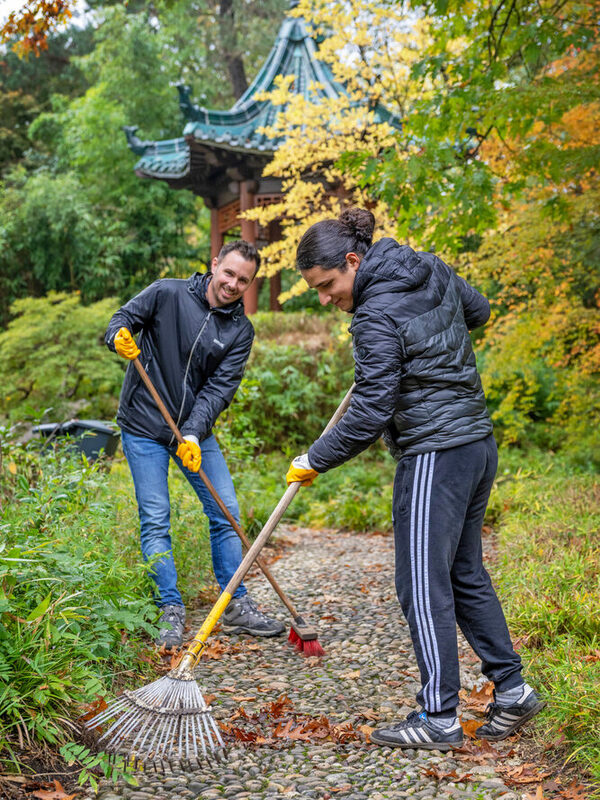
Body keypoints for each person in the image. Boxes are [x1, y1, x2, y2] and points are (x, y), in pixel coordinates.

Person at [286, 208, 545, 750]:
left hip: (434, 451)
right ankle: (514, 691)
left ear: (354, 261)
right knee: (464, 573)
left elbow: (371, 409)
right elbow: (478, 311)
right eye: (316, 289)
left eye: (328, 285)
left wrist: (315, 458)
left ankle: (439, 717)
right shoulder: (430, 268)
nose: (325, 299)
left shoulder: (373, 314)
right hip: (476, 443)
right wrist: (428, 333)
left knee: (421, 586)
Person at [106, 240, 284, 648]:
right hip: (143, 424)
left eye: (243, 280)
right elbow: (122, 318)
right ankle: (169, 609)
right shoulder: (167, 293)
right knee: (156, 516)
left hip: (193, 431)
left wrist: (191, 433)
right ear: (215, 264)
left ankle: (235, 605)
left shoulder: (240, 330)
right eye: (229, 273)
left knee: (226, 512)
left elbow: (219, 391)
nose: (233, 284)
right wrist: (119, 336)